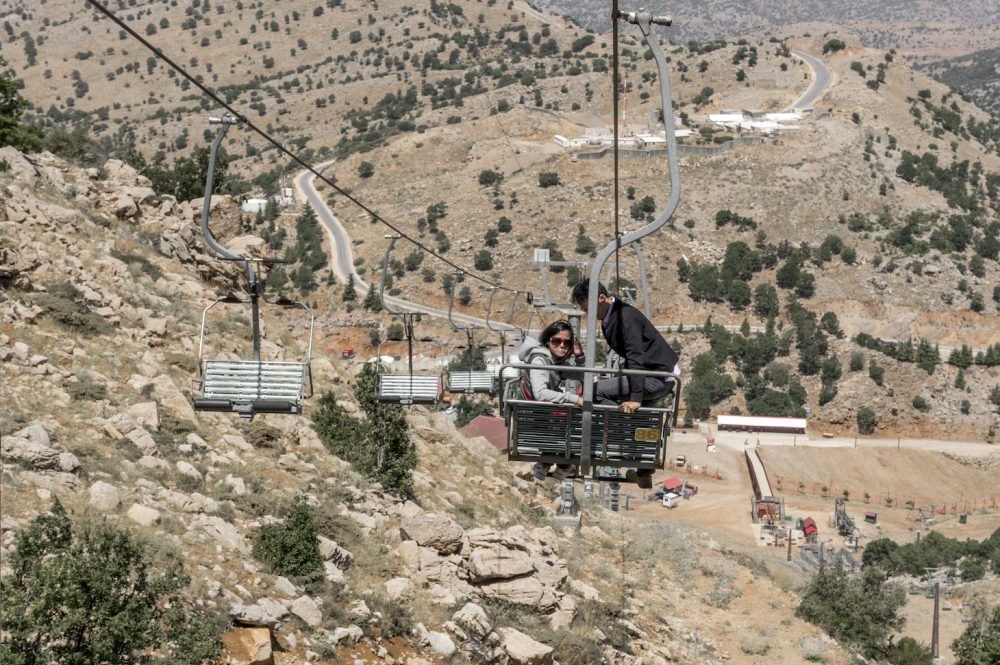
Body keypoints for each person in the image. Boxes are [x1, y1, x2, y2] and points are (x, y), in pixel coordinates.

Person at [570, 279, 681, 488]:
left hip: (658, 377)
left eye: (589, 308)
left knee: (594, 392)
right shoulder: (611, 316)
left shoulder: (624, 317)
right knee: (644, 416)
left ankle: (624, 434)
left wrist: (635, 398)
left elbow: (635, 355)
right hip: (653, 375)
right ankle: (644, 470)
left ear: (602, 298)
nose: (588, 314)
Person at [517, 320, 585, 481]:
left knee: (574, 421)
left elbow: (583, 375)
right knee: (574, 422)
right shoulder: (540, 360)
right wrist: (574, 399)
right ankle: (560, 465)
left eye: (566, 342)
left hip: (542, 414)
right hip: (532, 416)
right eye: (557, 341)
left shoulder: (556, 362)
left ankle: (553, 464)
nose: (562, 345)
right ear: (548, 341)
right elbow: (540, 393)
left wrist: (580, 356)